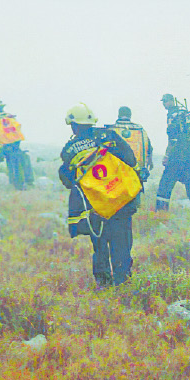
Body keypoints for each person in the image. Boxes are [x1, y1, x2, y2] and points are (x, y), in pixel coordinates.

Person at [59, 103, 141, 287]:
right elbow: (129, 158)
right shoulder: (109, 136)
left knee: (100, 245)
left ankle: (103, 285)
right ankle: (123, 283)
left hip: (96, 207)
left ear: (74, 125)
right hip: (121, 201)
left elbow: (67, 179)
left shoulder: (69, 149)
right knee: (122, 243)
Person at [155, 93, 190, 213]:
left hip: (176, 156)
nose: (164, 104)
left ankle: (161, 212)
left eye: (165, 101)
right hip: (188, 155)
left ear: (172, 101)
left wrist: (167, 156)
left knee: (165, 185)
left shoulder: (173, 116)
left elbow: (173, 139)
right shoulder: (183, 114)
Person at [0, 99, 26, 189]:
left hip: (0, 145)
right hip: (13, 144)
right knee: (15, 165)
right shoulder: (10, 117)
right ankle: (18, 186)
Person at [105, 106, 154, 182]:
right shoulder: (140, 130)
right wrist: (149, 163)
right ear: (130, 115)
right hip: (136, 169)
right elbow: (149, 149)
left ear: (118, 115)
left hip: (115, 169)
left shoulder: (110, 130)